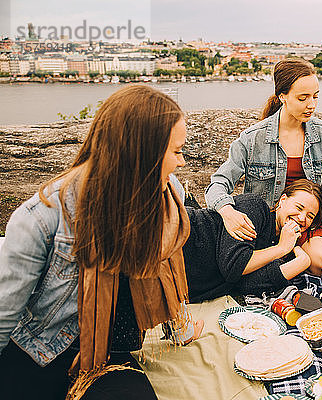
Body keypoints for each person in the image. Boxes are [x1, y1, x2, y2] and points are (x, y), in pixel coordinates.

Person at [0, 85, 202, 400]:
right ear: (142, 154)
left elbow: (167, 273)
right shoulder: (44, 217)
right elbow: (4, 313)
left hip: (105, 351)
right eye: (176, 151)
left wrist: (181, 330)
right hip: (45, 354)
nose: (182, 162)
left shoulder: (163, 193)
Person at [204, 58, 322, 274]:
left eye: (315, 96)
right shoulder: (252, 138)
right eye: (303, 98)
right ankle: (286, 252)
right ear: (282, 96)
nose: (312, 105)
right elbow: (218, 184)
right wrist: (228, 212)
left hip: (312, 218)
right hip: (275, 224)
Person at [184, 179, 322, 301]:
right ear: (283, 200)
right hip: (183, 235)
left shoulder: (277, 246)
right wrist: (281, 248)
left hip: (184, 282)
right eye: (299, 207)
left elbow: (246, 285)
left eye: (310, 216)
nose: (302, 218)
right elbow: (234, 266)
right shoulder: (255, 206)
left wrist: (302, 261)